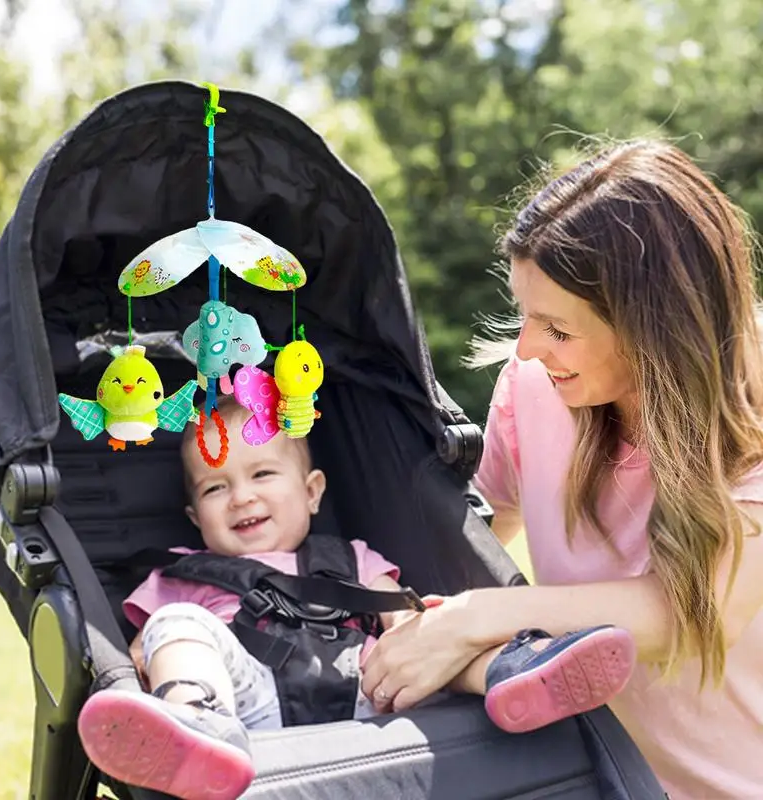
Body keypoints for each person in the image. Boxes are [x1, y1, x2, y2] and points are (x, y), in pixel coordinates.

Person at [359, 140, 763, 799]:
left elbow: (693, 617)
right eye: (525, 315)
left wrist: (472, 617)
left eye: (557, 328)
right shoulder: (533, 386)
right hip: (592, 781)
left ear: (655, 327)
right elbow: (472, 538)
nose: (524, 348)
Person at [76, 395, 418, 800]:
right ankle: (194, 724)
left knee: (430, 633)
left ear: (312, 492)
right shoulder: (185, 574)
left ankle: (493, 677)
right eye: (216, 487)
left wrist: (414, 643)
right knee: (174, 622)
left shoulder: (350, 557)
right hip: (246, 707)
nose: (241, 498)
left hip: (366, 695)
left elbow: (402, 616)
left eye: (262, 474)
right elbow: (142, 652)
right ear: (195, 517)